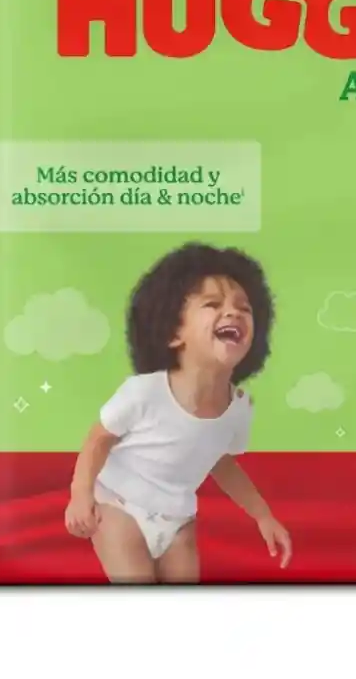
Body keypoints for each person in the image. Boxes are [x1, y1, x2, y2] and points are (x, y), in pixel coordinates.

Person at [64, 242, 292, 583]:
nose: (233, 313)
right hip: (118, 504)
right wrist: (80, 495)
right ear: (173, 333)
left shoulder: (240, 409)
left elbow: (220, 461)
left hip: (179, 520)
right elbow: (99, 439)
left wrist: (263, 516)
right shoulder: (145, 392)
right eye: (213, 304)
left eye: (244, 308)